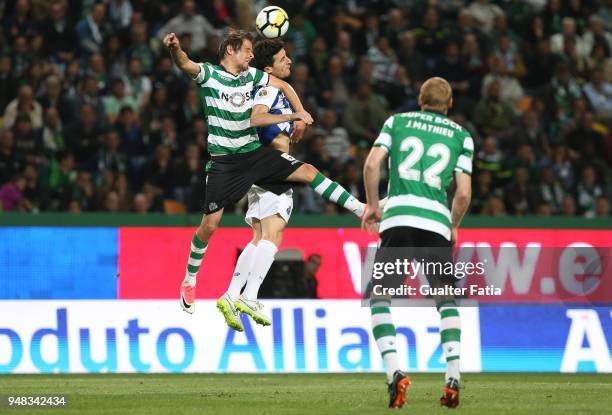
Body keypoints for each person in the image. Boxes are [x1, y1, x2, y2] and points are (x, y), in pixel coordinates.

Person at [163, 31, 366, 318]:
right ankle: (190, 279)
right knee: (210, 225)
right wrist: (175, 49)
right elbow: (184, 63)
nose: (251, 55)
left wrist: (301, 111)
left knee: (306, 171)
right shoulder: (209, 75)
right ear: (231, 51)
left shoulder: (252, 77)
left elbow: (283, 85)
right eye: (246, 50)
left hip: (254, 154)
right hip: (224, 162)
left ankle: (360, 209)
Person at [217, 39, 369, 332]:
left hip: (261, 168)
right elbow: (256, 118)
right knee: (308, 176)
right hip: (270, 162)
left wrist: (292, 122)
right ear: (268, 68)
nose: (290, 62)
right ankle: (359, 208)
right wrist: (294, 116)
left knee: (260, 237)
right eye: (283, 58)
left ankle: (231, 294)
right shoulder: (268, 88)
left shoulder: (275, 88)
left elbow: (275, 110)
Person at [361, 77, 473, 408]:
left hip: (398, 219)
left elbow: (371, 164)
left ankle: (394, 371)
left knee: (380, 298)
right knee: (446, 299)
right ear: (449, 104)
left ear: (419, 100)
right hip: (436, 223)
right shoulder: (461, 136)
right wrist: (453, 224)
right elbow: (464, 192)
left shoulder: (397, 122)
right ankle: (453, 374)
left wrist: (372, 205)